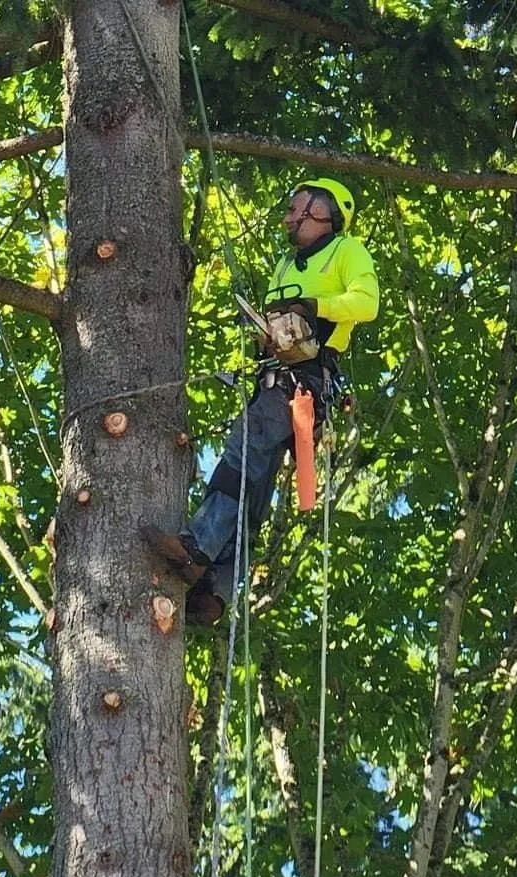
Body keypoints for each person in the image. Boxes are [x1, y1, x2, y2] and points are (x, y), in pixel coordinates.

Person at [143, 178, 379, 626]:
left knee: (241, 452)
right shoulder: (286, 264)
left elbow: (366, 304)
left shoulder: (346, 250)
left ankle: (197, 546)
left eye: (297, 208)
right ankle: (216, 590)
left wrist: (315, 305)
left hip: (303, 381)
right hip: (278, 375)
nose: (290, 216)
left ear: (323, 209)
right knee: (254, 487)